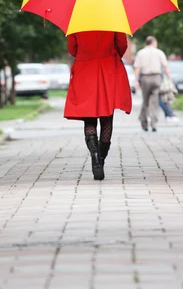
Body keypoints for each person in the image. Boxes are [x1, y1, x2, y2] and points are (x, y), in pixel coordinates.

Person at [64, 31, 132, 180]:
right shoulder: (113, 17)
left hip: (85, 68)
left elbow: (72, 48)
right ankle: (100, 160)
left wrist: (86, 54)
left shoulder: (77, 21)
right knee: (107, 117)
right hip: (108, 67)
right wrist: (109, 54)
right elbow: (122, 45)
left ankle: (94, 154)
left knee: (89, 116)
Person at [134, 36, 171, 132]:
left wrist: (136, 80)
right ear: (154, 42)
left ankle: (144, 123)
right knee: (154, 102)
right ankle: (154, 123)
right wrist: (169, 78)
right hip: (156, 78)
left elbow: (137, 68)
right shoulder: (159, 52)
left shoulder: (140, 53)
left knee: (145, 101)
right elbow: (165, 67)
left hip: (145, 78)